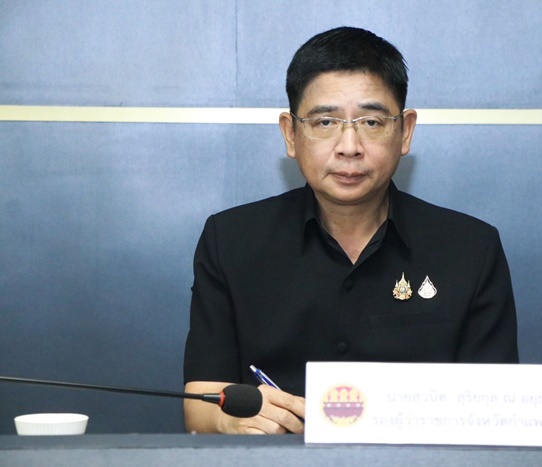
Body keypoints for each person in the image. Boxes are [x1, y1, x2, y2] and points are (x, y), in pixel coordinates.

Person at [183, 26, 518, 435]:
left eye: (371, 122)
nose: (349, 146)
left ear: (405, 131)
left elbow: (498, 411)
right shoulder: (231, 241)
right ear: (290, 134)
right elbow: (200, 405)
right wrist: (228, 419)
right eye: (325, 121)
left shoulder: (471, 249)